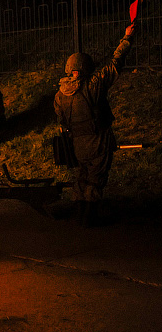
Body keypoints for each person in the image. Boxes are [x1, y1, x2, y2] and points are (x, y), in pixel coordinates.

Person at [54, 24, 134, 227]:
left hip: (77, 144)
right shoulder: (93, 85)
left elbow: (61, 120)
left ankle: (79, 213)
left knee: (82, 176)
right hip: (98, 140)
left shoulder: (60, 94)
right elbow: (115, 63)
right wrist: (127, 38)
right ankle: (89, 217)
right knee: (96, 178)